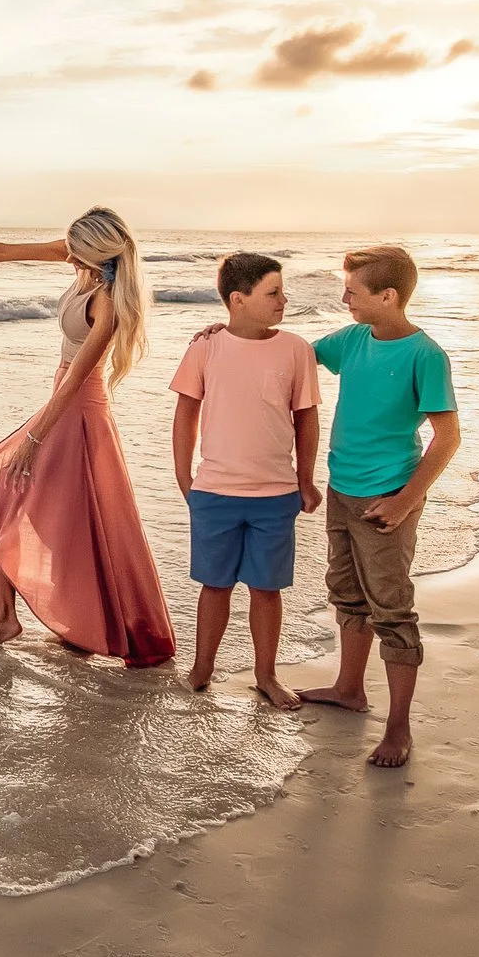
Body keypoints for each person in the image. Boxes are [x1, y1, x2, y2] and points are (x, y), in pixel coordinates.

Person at [0, 208, 176, 668]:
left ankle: (7, 616)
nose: (68, 255)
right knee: (73, 514)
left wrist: (33, 439)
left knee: (9, 482)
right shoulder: (80, 263)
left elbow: (78, 378)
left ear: (96, 252)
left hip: (78, 408)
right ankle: (67, 619)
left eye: (76, 250)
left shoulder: (109, 301)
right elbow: (3, 253)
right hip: (64, 399)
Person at [294, 244, 462, 768]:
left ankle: (398, 728)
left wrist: (407, 501)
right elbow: (296, 354)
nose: (344, 299)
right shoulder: (353, 340)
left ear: (388, 296)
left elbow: (447, 436)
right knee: (345, 592)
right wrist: (230, 333)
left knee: (391, 608)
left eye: (353, 291)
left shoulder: (424, 355)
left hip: (386, 498)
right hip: (342, 490)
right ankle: (349, 689)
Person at [168, 252, 321, 708]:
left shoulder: (295, 348)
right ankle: (201, 669)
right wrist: (184, 478)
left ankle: (266, 675)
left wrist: (306, 480)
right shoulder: (205, 347)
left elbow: (307, 419)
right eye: (273, 292)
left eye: (281, 291)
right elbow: (185, 416)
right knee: (213, 586)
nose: (283, 299)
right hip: (214, 492)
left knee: (266, 588)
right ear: (238, 299)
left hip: (275, 494)